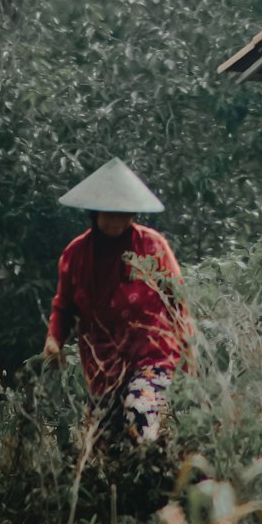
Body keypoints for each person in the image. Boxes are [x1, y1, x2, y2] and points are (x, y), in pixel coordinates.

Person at [42, 157, 187, 444]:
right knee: (102, 444)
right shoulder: (75, 255)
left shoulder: (152, 246)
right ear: (94, 213)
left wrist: (190, 353)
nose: (117, 221)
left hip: (152, 356)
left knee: (140, 413)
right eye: (110, 214)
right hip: (103, 366)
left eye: (124, 214)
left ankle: (155, 472)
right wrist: (54, 339)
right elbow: (64, 307)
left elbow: (177, 301)